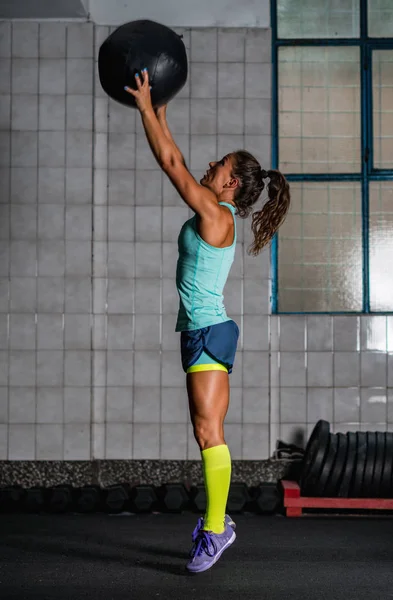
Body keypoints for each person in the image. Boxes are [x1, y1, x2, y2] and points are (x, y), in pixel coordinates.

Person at [125, 69, 291, 573]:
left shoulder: (217, 215)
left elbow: (171, 164)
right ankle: (216, 523)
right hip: (202, 332)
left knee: (208, 432)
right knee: (205, 431)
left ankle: (217, 528)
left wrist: (145, 111)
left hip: (209, 332)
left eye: (217, 163)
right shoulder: (215, 213)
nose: (209, 164)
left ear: (231, 182)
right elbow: (175, 157)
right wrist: (158, 116)